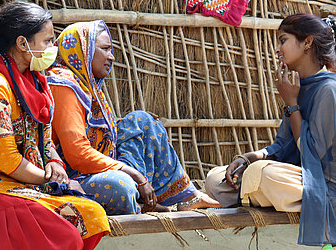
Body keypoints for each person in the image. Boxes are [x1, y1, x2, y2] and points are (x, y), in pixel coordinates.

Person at [205, 13, 336, 249]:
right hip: (304, 178)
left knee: (262, 175)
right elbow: (283, 145)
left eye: (283, 40)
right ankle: (256, 191)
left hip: (334, 190)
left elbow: (314, 152)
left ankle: (258, 192)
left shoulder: (332, 89)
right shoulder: (300, 87)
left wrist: (291, 104)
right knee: (215, 179)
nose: (277, 49)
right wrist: (247, 157)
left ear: (307, 43)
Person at [0, 1, 109, 250]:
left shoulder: (36, 82)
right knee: (65, 235)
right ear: (22, 44)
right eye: (47, 41)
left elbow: (45, 140)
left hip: (23, 181)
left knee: (93, 216)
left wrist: (54, 163)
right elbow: (9, 162)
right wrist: (56, 184)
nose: (53, 48)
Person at [46, 21, 221, 214]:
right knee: (121, 187)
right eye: (105, 49)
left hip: (99, 166)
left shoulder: (87, 85)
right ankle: (140, 201)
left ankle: (187, 196)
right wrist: (136, 175)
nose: (111, 57)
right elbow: (78, 155)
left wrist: (139, 126)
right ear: (83, 50)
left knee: (142, 121)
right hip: (74, 177)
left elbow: (98, 131)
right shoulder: (63, 84)